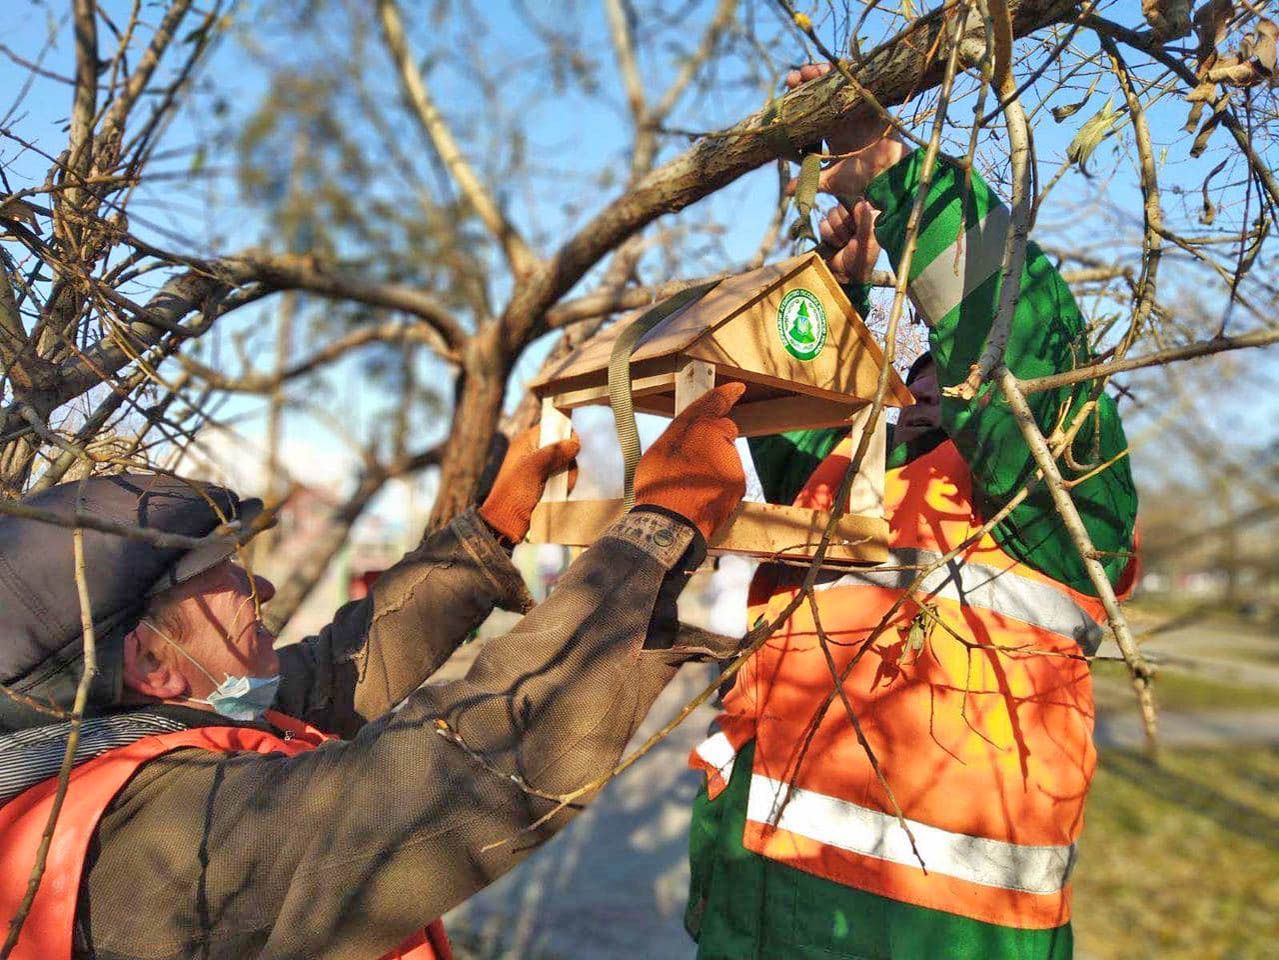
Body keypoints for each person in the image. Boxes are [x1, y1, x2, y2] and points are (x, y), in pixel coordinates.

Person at [0, 382, 749, 960]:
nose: (258, 588)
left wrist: (494, 523)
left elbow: (341, 672)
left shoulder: (117, 737)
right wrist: (656, 531)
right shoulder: (155, 832)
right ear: (152, 661)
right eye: (223, 576)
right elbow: (450, 778)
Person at [686, 65, 1139, 960]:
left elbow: (1015, 334)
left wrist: (890, 168)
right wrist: (835, 290)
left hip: (930, 933)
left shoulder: (1051, 498)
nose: (928, 388)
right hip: (759, 904)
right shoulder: (876, 481)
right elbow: (800, 436)